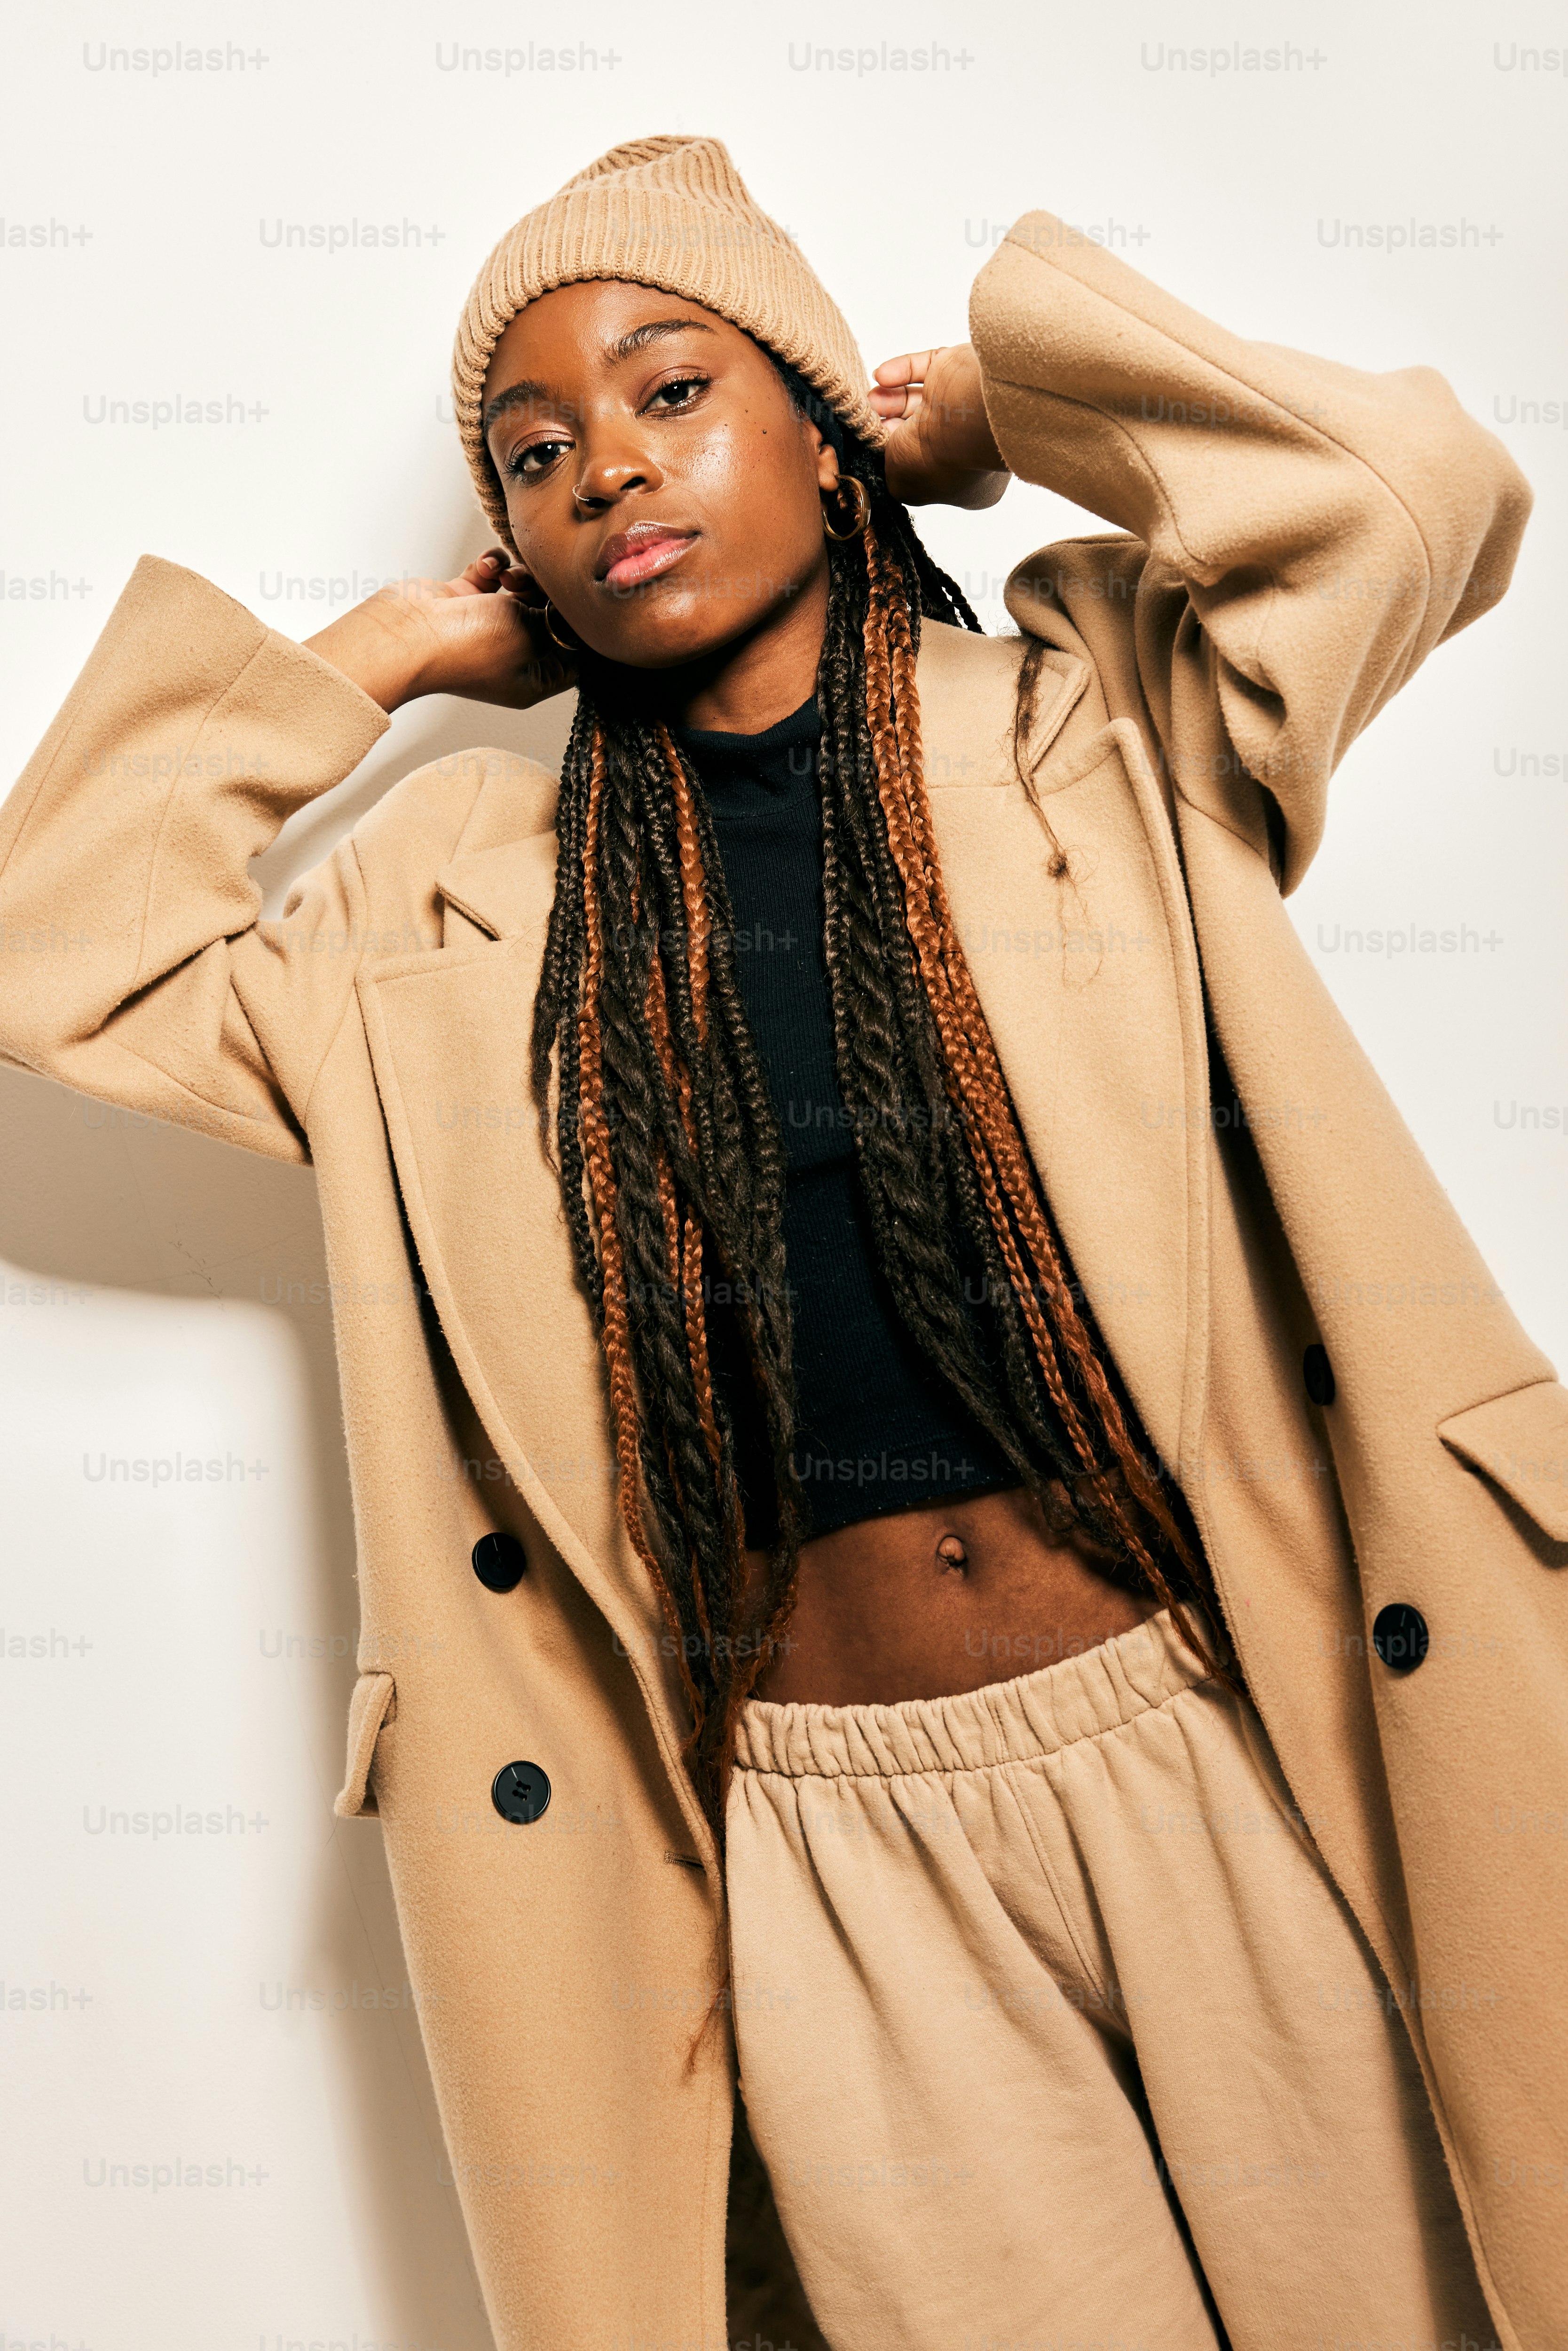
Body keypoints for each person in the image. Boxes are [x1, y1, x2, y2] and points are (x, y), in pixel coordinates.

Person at [0, 132, 1562, 2351]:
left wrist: (1010, 415)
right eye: (534, 455)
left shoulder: (1097, 725)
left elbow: (1412, 493)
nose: (605, 472)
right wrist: (379, 653)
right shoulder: (449, 911)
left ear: (827, 443)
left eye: (673, 390)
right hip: (822, 1844)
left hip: (1225, 1725)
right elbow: (55, 945)